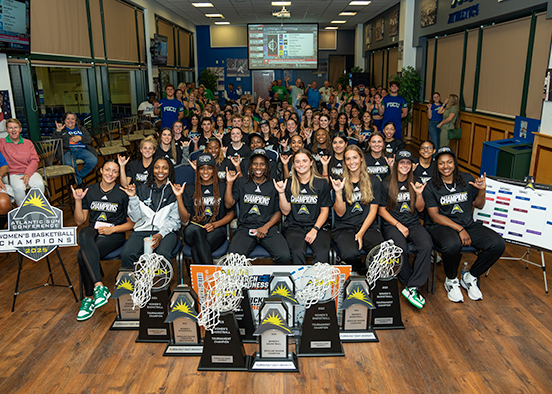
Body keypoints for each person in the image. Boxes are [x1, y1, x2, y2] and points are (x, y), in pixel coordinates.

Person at [423, 147, 505, 302]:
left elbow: (479, 205)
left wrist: (482, 190)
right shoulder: (431, 185)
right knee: (452, 245)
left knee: (497, 244)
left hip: (467, 224)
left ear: (455, 163)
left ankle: (470, 276)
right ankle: (451, 280)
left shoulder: (466, 179)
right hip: (442, 227)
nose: (445, 166)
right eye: (441, 163)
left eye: (449, 162)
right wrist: (459, 229)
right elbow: (434, 216)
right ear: (436, 165)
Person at [71, 160, 134, 321]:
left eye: (114, 171)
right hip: (94, 231)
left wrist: (112, 229)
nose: (110, 174)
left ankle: (88, 298)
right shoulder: (90, 190)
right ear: (101, 170)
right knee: (84, 232)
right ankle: (99, 286)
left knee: (81, 255)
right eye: (107, 170)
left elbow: (132, 223)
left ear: (118, 174)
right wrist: (78, 201)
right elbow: (80, 221)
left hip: (114, 234)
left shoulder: (121, 193)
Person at [378, 150, 432, 309]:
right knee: (400, 249)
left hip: (413, 223)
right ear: (396, 164)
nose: (405, 166)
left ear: (412, 166)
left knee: (426, 245)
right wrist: (398, 225)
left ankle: (412, 287)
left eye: (408, 163)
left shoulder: (416, 182)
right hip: (392, 224)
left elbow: (420, 209)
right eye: (402, 162)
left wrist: (419, 194)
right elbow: (381, 210)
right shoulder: (386, 183)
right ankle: (408, 282)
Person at [225, 148, 290, 263]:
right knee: (233, 260)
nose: (258, 167)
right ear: (250, 166)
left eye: (262, 164)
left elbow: (278, 212)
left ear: (267, 166)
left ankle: (273, 281)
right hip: (245, 228)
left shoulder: (273, 185)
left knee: (284, 256)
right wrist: (230, 183)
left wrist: (266, 227)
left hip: (268, 228)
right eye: (255, 164)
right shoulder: (242, 182)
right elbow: (228, 204)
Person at [330, 145, 384, 276]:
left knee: (380, 252)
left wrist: (360, 233)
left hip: (367, 226)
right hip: (344, 227)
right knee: (350, 254)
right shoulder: (340, 181)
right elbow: (340, 213)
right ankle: (360, 271)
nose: (351, 162)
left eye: (354, 157)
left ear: (361, 159)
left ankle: (365, 274)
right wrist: (338, 192)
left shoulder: (374, 181)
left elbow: (373, 212)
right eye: (348, 159)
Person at [274, 148, 332, 265]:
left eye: (304, 161)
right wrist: (281, 192)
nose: (301, 164)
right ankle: (299, 282)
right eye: (298, 161)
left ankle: (317, 283)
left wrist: (314, 229)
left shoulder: (321, 183)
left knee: (322, 252)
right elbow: (285, 212)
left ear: (311, 162)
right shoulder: (288, 183)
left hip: (318, 227)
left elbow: (325, 211)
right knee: (296, 252)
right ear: (294, 164)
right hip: (295, 227)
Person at [120, 157, 181, 268]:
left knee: (163, 255)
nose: (160, 171)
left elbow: (175, 220)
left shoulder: (174, 191)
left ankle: (163, 285)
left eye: (165, 168)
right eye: (157, 167)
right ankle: (133, 284)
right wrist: (133, 198)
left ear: (170, 171)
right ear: (152, 170)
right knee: (127, 254)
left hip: (166, 232)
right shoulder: (141, 189)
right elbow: (134, 218)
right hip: (142, 230)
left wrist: (160, 234)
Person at [174, 153, 234, 264]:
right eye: (202, 168)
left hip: (215, 230)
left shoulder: (222, 187)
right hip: (193, 230)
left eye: (209, 168)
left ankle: (201, 280)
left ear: (214, 170)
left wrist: (215, 225)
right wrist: (179, 197)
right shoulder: (190, 189)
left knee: (196, 250)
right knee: (197, 231)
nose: (205, 172)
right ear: (197, 170)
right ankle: (211, 277)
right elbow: (185, 220)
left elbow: (230, 214)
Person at [0, 118, 45, 206]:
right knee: (19, 188)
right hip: (11, 174)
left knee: (39, 184)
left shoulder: (28, 143)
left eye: (16, 127)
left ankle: (37, 208)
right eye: (10, 128)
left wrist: (28, 173)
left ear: (20, 129)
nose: (13, 130)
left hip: (28, 172)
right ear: (7, 130)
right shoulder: (1, 143)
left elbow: (34, 160)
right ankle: (23, 212)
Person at [53, 112, 98, 188]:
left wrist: (80, 138)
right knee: (70, 164)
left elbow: (89, 139)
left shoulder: (81, 128)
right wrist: (58, 131)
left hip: (82, 149)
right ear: (64, 120)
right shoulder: (61, 130)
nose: (70, 120)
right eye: (68, 118)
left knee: (93, 160)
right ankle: (79, 183)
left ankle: (76, 177)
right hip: (68, 151)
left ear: (75, 120)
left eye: (72, 119)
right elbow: (55, 142)